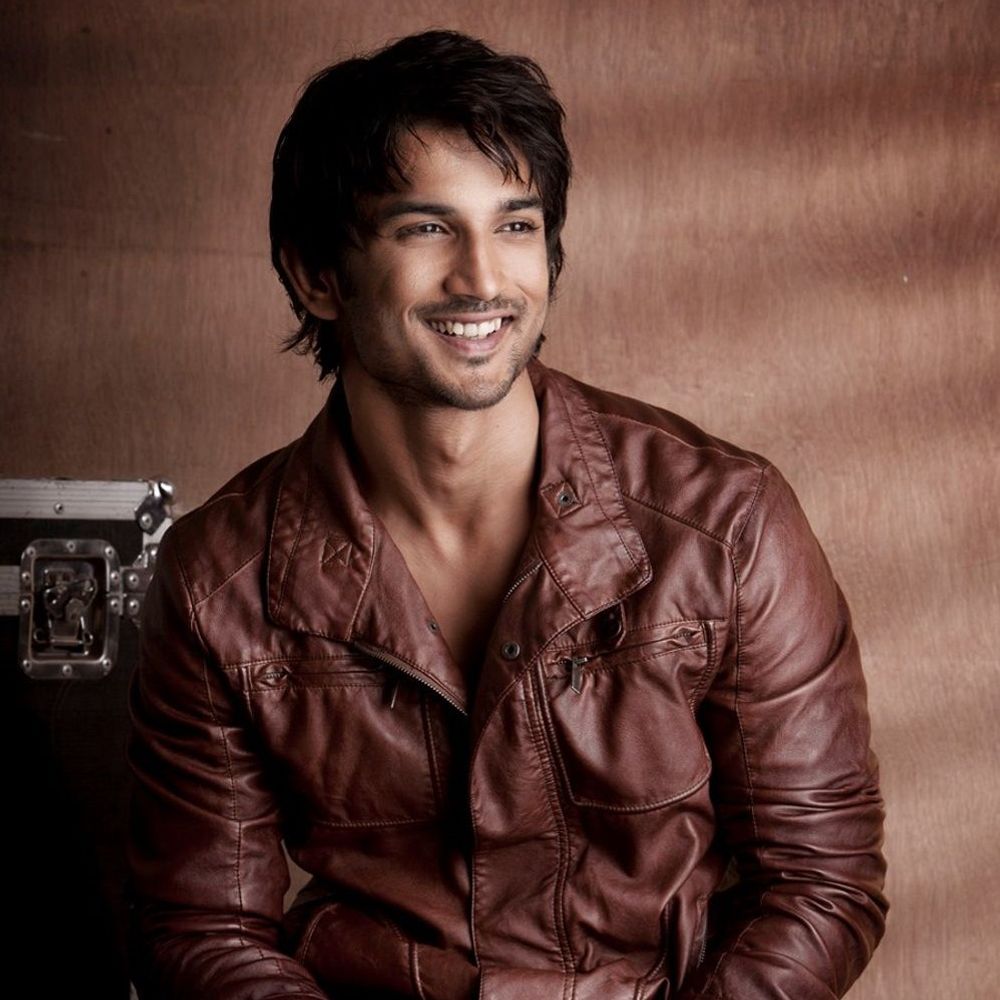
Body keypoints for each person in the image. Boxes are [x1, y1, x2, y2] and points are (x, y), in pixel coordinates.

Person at [128, 29, 888, 1000]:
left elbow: (822, 884)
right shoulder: (215, 579)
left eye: (516, 225)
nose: (483, 278)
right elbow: (205, 927)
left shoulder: (727, 524)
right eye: (425, 229)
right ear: (317, 275)